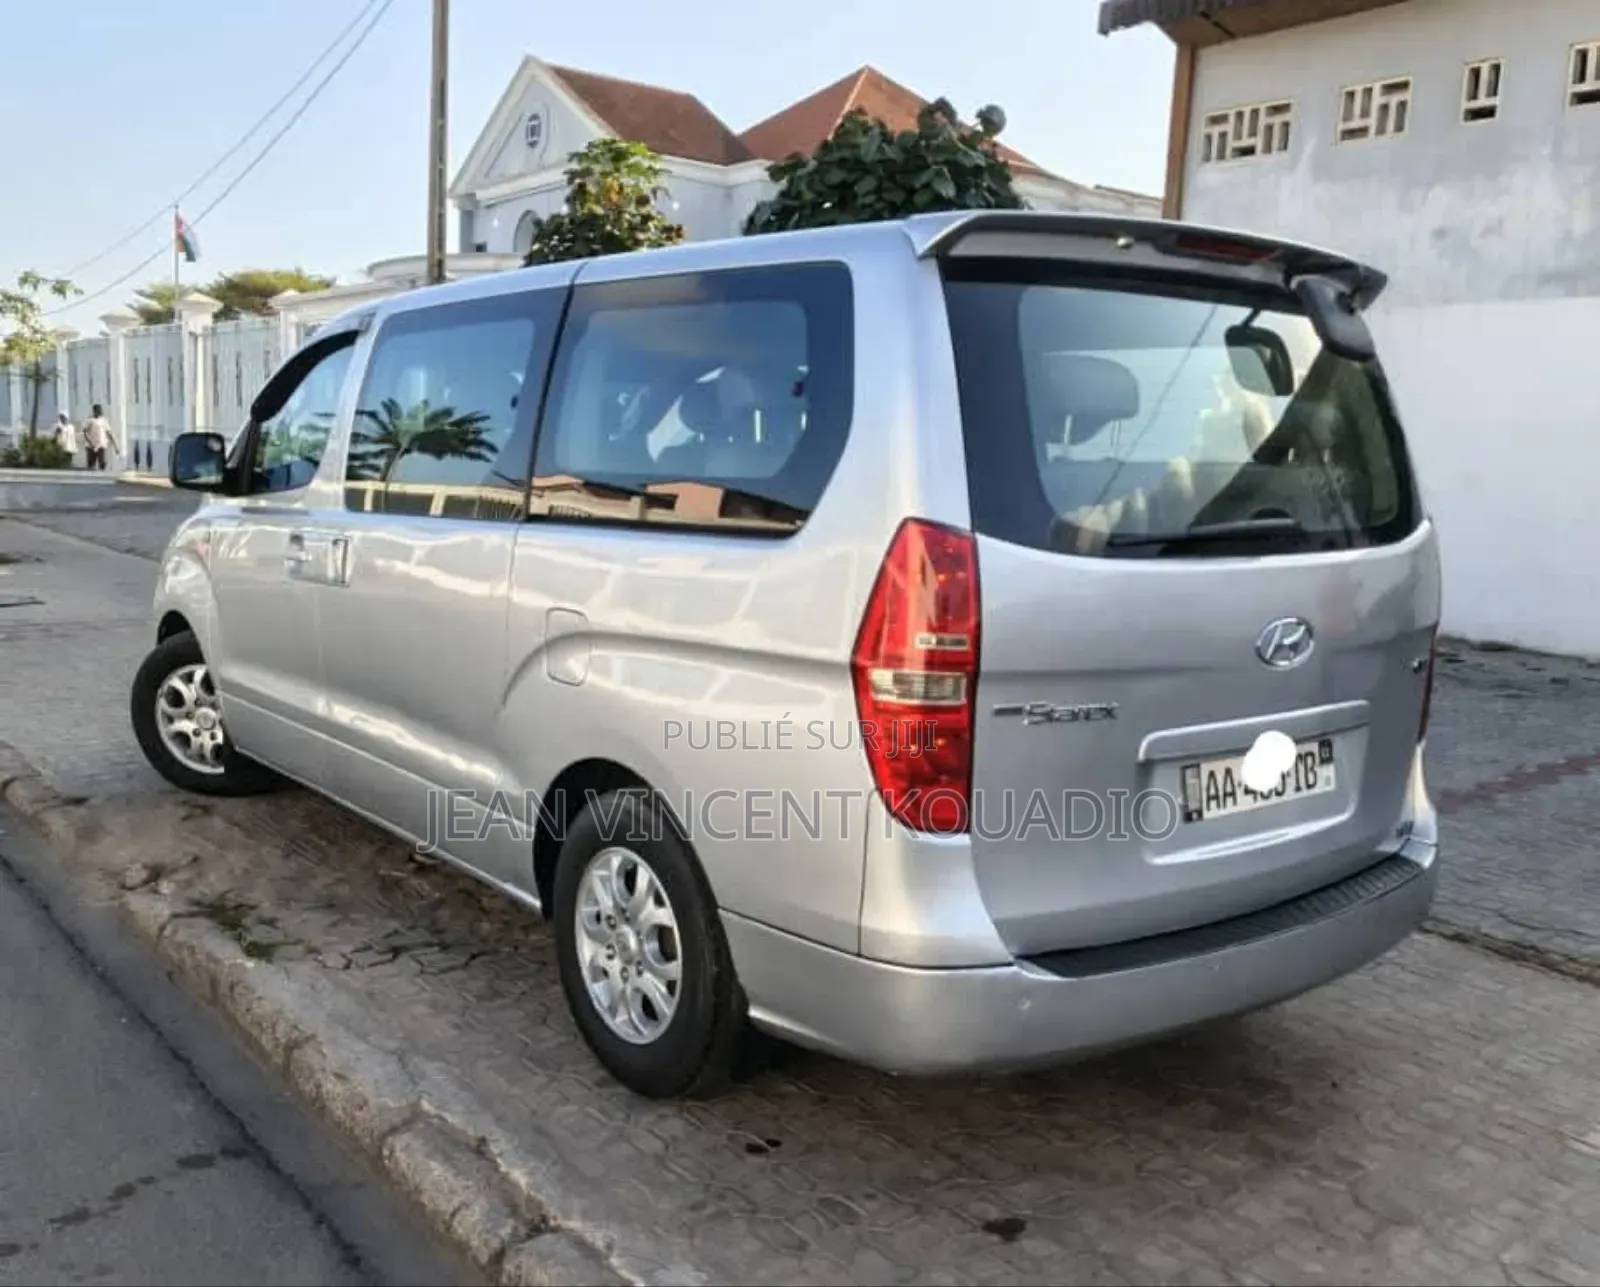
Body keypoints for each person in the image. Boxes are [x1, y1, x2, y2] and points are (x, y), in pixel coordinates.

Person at [82, 404, 119, 471]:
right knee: (91, 465)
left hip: (101, 445)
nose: (99, 412)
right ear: (94, 411)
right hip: (91, 446)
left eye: (100, 410)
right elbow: (85, 433)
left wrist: (115, 446)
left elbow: (109, 433)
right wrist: (92, 444)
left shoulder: (104, 420)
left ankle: (102, 473)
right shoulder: (89, 420)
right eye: (97, 410)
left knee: (102, 464)